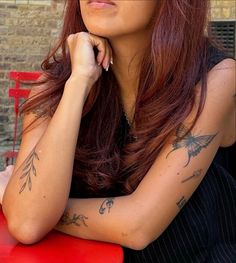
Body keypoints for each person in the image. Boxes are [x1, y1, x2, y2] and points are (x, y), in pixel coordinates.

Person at [0, 0, 235, 262]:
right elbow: (27, 223)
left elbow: (137, 226)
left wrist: (37, 205)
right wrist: (79, 82)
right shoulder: (56, 88)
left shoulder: (217, 79)